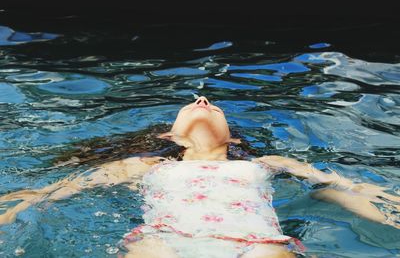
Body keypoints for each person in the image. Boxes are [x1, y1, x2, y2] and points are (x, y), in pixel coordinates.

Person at [0, 96, 399, 258]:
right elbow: (64, 188)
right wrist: (13, 209)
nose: (203, 101)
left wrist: (385, 207)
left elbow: (335, 185)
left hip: (257, 244)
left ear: (234, 137)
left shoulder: (266, 162)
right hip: (164, 244)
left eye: (215, 108)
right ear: (169, 137)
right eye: (193, 104)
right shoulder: (148, 165)